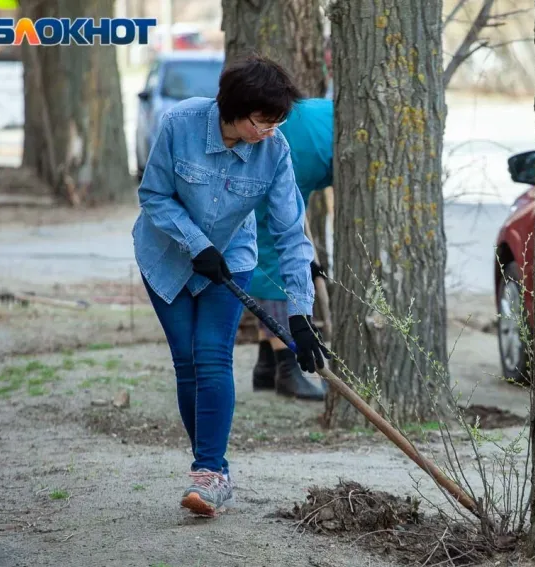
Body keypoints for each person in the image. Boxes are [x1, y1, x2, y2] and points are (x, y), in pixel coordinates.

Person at [132, 54, 331, 518]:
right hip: (167, 257)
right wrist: (195, 242)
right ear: (233, 108)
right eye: (261, 121)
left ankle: (208, 474)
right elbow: (152, 194)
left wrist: (300, 316)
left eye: (277, 122)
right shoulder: (179, 124)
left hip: (230, 261)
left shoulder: (275, 150)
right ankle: (213, 469)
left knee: (212, 355)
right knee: (187, 362)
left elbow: (291, 234)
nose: (268, 131)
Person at [247, 97, 333, 401]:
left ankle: (267, 364)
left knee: (272, 247)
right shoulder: (305, 147)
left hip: (305, 133)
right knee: (274, 251)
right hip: (305, 144)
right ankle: (286, 365)